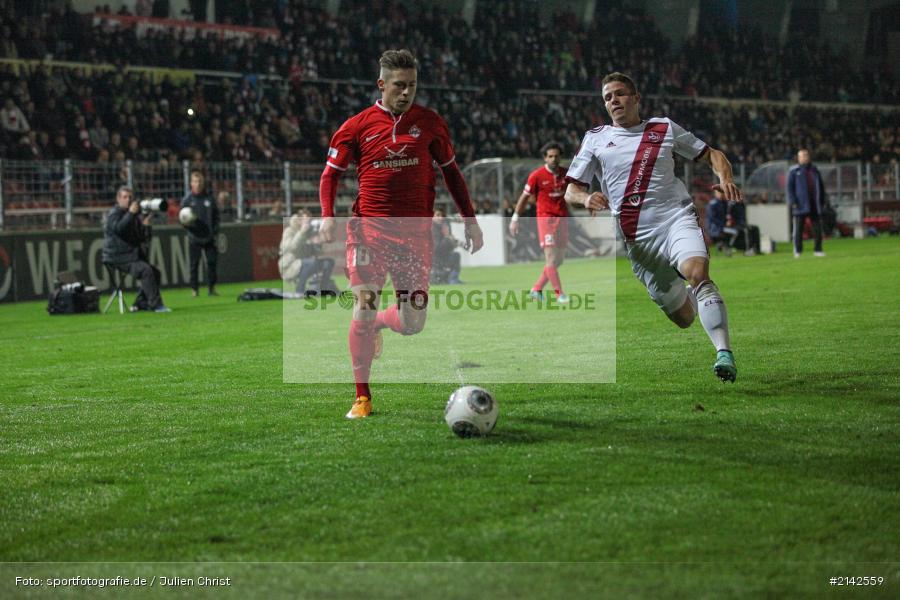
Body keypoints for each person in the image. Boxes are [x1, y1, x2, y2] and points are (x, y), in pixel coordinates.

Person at [319, 49, 484, 419]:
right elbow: (331, 175)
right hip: (368, 233)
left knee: (413, 324)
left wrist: (470, 220)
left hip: (415, 237)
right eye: (399, 85)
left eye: (412, 85)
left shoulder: (430, 123)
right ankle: (362, 397)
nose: (406, 92)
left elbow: (452, 173)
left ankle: (380, 322)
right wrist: (327, 217)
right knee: (363, 305)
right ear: (382, 84)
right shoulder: (357, 126)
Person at [564, 72, 741, 383]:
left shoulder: (663, 128)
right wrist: (585, 196)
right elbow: (570, 191)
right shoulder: (595, 138)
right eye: (607, 97)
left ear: (635, 98)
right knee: (685, 318)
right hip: (639, 242)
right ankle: (691, 295)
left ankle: (723, 353)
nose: (613, 101)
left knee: (698, 272)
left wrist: (725, 178)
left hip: (676, 218)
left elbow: (711, 154)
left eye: (619, 94)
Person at [509, 141, 570, 303]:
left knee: (559, 260)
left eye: (556, 156)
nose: (554, 159)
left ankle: (536, 289)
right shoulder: (536, 176)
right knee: (550, 258)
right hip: (546, 220)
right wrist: (515, 218)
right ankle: (559, 294)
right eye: (550, 156)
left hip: (562, 219)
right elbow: (523, 198)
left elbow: (574, 194)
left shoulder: (567, 174)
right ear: (545, 158)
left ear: (560, 157)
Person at [101, 186, 171, 313]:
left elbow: (143, 238)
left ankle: (140, 303)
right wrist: (131, 214)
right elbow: (119, 229)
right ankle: (156, 305)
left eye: (130, 197)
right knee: (146, 270)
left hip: (129, 255)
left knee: (155, 273)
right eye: (125, 197)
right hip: (116, 255)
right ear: (118, 199)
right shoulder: (114, 214)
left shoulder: (133, 215)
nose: (128, 200)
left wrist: (146, 226)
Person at [180, 170, 220, 296]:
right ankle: (194, 289)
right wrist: (186, 225)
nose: (197, 184)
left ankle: (211, 288)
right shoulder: (187, 200)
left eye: (199, 182)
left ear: (203, 183)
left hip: (209, 237)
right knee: (194, 265)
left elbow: (216, 217)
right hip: (194, 237)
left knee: (211, 263)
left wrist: (215, 231)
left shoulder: (209, 198)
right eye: (195, 182)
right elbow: (182, 219)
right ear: (191, 183)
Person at [279, 210, 336, 295]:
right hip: (289, 266)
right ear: (299, 220)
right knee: (311, 262)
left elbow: (316, 254)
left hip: (306, 263)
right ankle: (299, 290)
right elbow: (291, 248)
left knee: (329, 262)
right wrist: (301, 232)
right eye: (306, 220)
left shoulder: (310, 231)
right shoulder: (289, 231)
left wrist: (318, 243)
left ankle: (324, 288)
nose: (308, 222)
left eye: (309, 220)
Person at [786, 149, 826, 258]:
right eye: (802, 156)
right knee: (798, 228)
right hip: (800, 203)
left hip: (814, 202)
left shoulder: (814, 170)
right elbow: (790, 188)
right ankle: (798, 250)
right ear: (798, 158)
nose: (805, 157)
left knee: (817, 228)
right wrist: (793, 201)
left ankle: (818, 249)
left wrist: (822, 201)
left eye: (806, 155)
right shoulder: (794, 171)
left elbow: (821, 187)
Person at [431, 209, 463, 284]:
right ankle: (444, 278)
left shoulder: (445, 223)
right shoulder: (431, 227)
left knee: (456, 255)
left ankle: (453, 279)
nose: (440, 218)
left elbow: (460, 219)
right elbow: (436, 248)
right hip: (434, 257)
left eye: (442, 215)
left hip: (445, 255)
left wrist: (453, 241)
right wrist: (449, 238)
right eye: (437, 215)